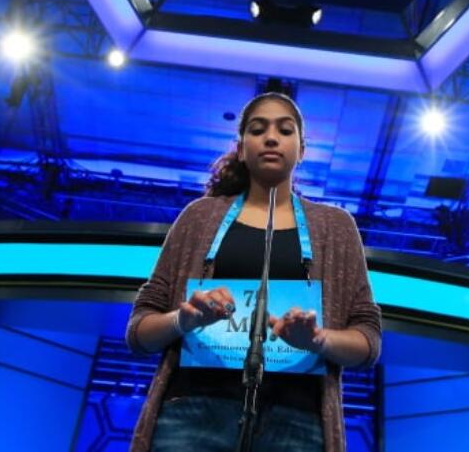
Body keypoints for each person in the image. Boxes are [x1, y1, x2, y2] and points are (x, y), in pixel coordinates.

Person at [125, 92, 382, 452]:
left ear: (302, 150)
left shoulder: (336, 228)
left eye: (285, 130)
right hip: (194, 410)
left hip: (298, 420)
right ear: (242, 149)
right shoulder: (199, 217)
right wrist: (181, 321)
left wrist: (318, 340)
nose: (272, 137)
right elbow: (139, 332)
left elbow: (368, 341)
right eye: (258, 129)